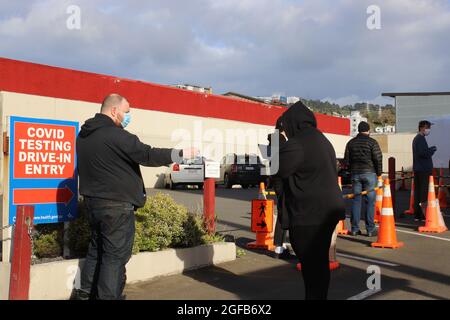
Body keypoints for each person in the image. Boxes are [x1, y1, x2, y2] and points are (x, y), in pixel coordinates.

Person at [75, 94, 196, 300]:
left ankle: (85, 294)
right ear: (114, 111)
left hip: (93, 204)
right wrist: (181, 154)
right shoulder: (118, 136)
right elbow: (147, 154)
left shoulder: (84, 135)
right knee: (115, 257)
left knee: (96, 251)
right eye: (127, 112)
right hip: (116, 207)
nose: (128, 116)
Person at [277, 101, 345, 300]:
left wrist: (277, 143)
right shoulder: (322, 139)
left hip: (310, 213)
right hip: (328, 210)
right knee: (319, 263)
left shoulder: (297, 144)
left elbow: (277, 170)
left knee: (310, 263)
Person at [344, 121, 383, 237]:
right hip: (370, 173)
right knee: (370, 202)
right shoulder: (372, 142)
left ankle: (355, 229)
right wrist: (379, 172)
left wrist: (351, 170)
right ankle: (370, 229)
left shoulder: (351, 143)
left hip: (355, 174)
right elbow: (378, 158)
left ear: (359, 130)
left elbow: (346, 161)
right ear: (368, 130)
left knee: (356, 201)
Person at [268, 118, 291, 259]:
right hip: (284, 180)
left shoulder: (273, 141)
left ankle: (279, 246)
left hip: (276, 180)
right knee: (286, 212)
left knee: (283, 211)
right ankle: (279, 248)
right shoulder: (283, 142)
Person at [412, 120, 437, 222]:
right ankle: (422, 214)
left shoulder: (417, 139)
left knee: (418, 192)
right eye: (428, 127)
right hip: (423, 169)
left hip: (419, 169)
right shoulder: (420, 139)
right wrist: (432, 150)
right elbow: (423, 153)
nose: (429, 130)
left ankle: (418, 215)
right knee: (423, 192)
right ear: (422, 128)